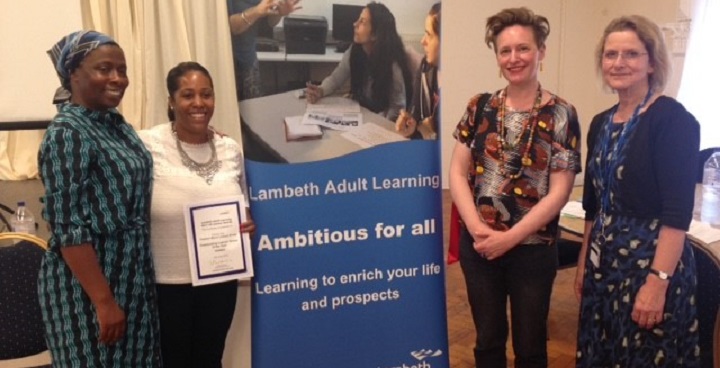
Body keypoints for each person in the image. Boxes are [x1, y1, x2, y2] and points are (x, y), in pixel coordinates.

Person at [448, 7, 581, 367]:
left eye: (523, 48)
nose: (514, 58)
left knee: (531, 346)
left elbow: (560, 192)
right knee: (487, 341)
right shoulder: (480, 106)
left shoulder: (561, 115)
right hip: (479, 246)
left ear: (542, 52)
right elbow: (458, 174)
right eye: (505, 51)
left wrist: (510, 237)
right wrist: (477, 229)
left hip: (533, 250)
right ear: (497, 57)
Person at [575, 15, 700, 367]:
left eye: (631, 54)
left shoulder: (673, 121)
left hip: (650, 263)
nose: (618, 63)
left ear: (652, 62)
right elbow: (592, 204)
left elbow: (677, 214)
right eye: (610, 54)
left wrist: (657, 284)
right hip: (605, 267)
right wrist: (585, 261)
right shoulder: (601, 122)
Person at [39, 30, 160, 366]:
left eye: (122, 70)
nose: (118, 79)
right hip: (88, 288)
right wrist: (104, 302)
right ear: (73, 73)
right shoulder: (67, 133)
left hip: (131, 277)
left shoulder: (116, 125)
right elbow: (68, 229)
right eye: (104, 69)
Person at [138, 62, 256, 368]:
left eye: (206, 94)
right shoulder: (147, 144)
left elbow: (242, 205)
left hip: (219, 282)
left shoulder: (230, 148)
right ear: (171, 101)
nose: (199, 103)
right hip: (167, 284)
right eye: (188, 95)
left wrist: (245, 227)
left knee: (210, 358)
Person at [305, 2, 413, 121]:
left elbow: (397, 107)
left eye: (362, 22)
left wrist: (380, 125)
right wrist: (321, 90)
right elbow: (336, 79)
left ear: (375, 34)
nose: (355, 24)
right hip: (363, 114)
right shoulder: (355, 50)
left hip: (382, 121)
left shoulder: (392, 62)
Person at [228, 0, 301, 100]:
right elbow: (230, 26)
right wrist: (256, 11)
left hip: (249, 60)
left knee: (253, 110)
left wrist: (279, 12)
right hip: (226, 61)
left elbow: (270, 22)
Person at [395, 2, 441, 140]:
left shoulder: (461, 84)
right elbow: (416, 118)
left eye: (429, 35)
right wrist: (412, 128)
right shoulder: (425, 68)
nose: (422, 41)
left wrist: (431, 131)